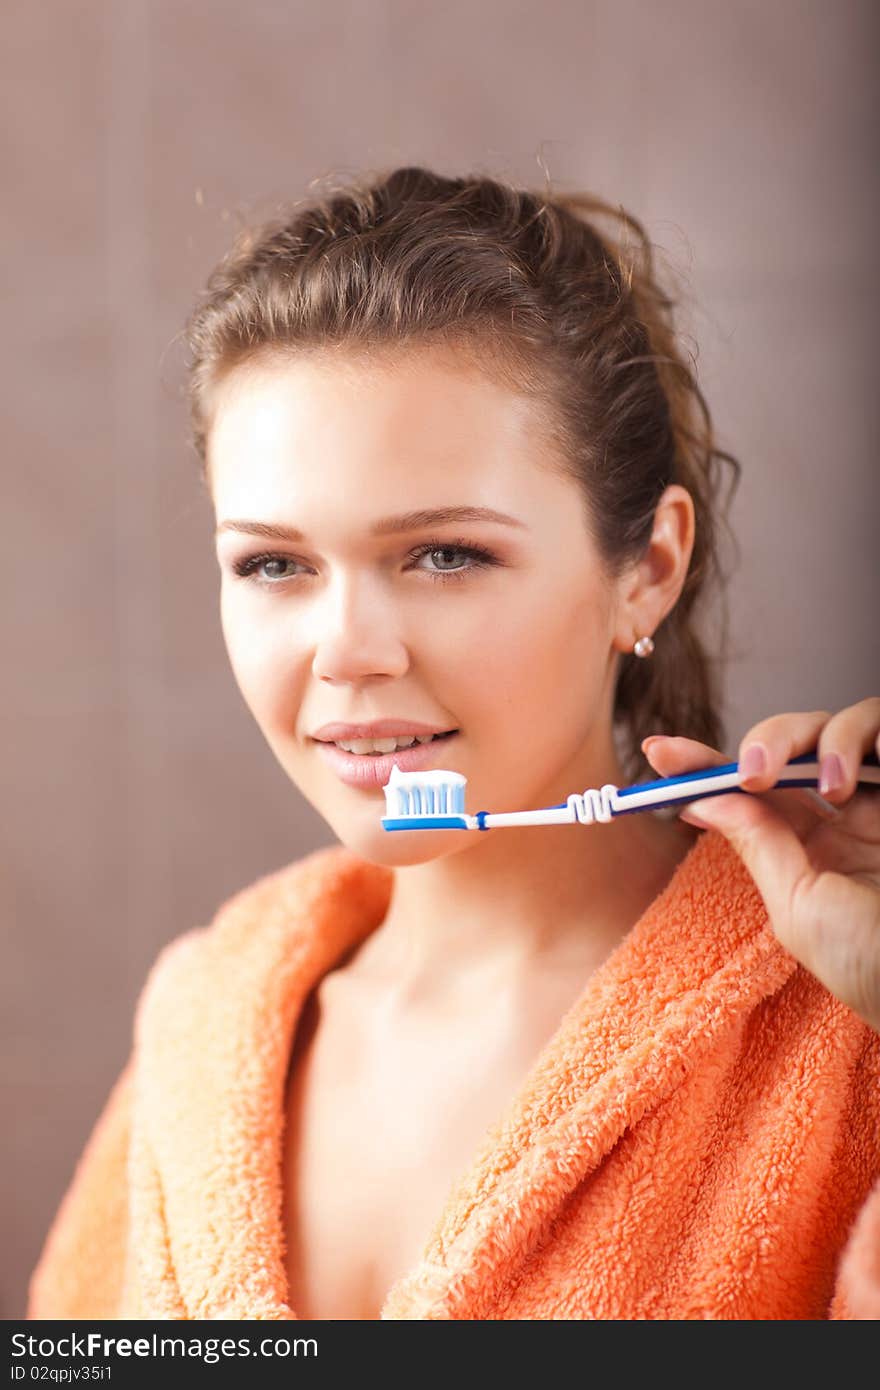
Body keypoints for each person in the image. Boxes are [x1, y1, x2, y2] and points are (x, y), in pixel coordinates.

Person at [27, 167, 880, 1321]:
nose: (346, 652)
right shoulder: (201, 1028)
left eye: (444, 554)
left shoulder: (837, 1025)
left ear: (648, 568)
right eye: (273, 564)